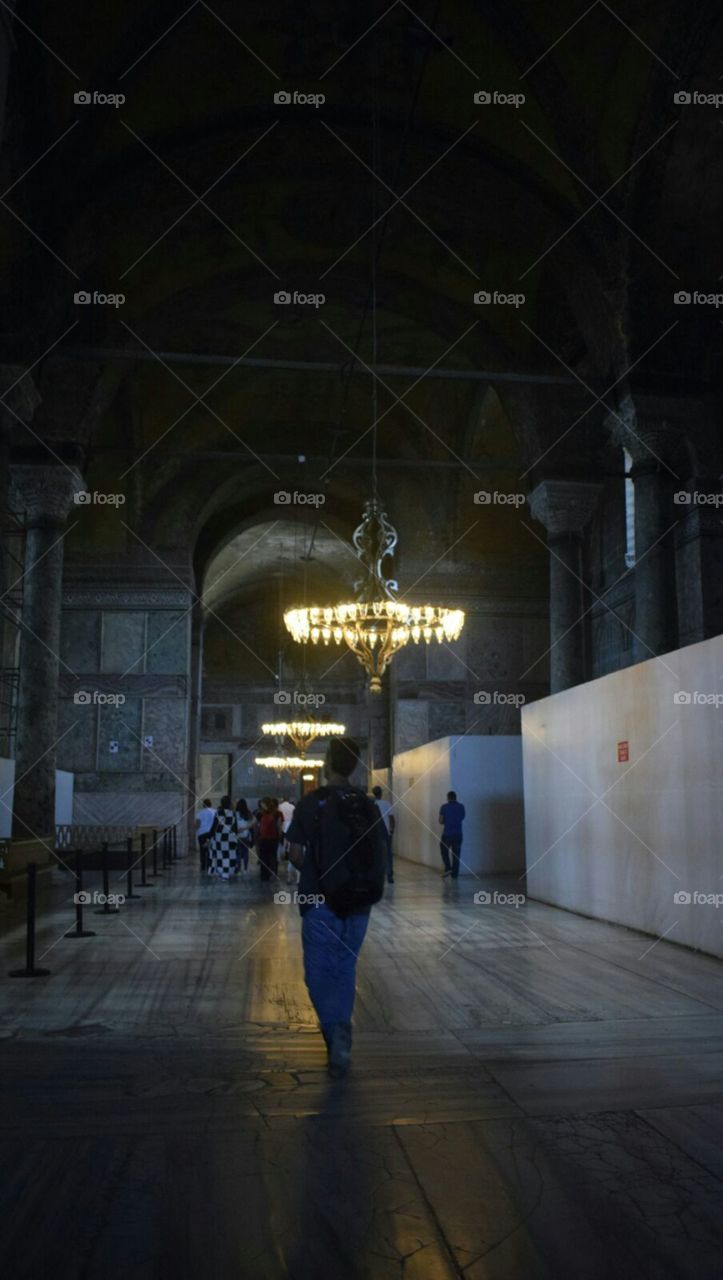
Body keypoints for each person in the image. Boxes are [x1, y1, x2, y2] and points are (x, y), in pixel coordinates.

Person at [287, 738, 385, 1079]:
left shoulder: (312, 802)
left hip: (320, 900)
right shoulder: (366, 803)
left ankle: (335, 1032)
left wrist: (316, 871)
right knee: (345, 967)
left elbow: (295, 853)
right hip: (359, 901)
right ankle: (341, 1028)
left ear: (327, 763)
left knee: (317, 973)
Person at [207, 794, 240, 880]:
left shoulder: (218, 813)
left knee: (220, 855)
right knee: (228, 855)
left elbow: (214, 826)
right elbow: (235, 826)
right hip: (229, 837)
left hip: (219, 837)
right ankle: (226, 873)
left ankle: (222, 873)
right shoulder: (233, 813)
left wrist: (209, 836)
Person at [439, 790, 465, 879]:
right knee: (456, 855)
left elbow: (440, 821)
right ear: (455, 797)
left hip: (447, 834)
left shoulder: (444, 807)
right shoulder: (461, 807)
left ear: (448, 798)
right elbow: (462, 817)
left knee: (444, 851)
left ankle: (448, 868)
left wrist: (447, 820)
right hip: (458, 834)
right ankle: (455, 875)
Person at [371, 785, 395, 884]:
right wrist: (392, 830)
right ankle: (389, 875)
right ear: (381, 793)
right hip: (386, 831)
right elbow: (392, 818)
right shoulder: (387, 803)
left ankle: (376, 874)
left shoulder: (371, 804)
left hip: (375, 832)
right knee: (388, 853)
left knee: (375, 853)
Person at [256, 796, 282, 881]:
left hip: (265, 838)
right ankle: (272, 872)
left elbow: (257, 825)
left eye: (262, 803)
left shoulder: (261, 814)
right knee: (272, 856)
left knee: (265, 856)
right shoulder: (277, 813)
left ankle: (265, 874)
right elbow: (279, 826)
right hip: (272, 838)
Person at [278, 794, 296, 884]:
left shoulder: (279, 806)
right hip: (290, 825)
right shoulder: (292, 806)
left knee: (283, 841)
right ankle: (287, 852)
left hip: (283, 825)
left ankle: (284, 852)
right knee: (289, 841)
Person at [235, 798, 255, 876]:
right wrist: (246, 827)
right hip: (246, 835)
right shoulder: (248, 813)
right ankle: (245, 868)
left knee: (238, 853)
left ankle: (239, 869)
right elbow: (254, 821)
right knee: (246, 852)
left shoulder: (235, 813)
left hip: (237, 835)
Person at [195, 798, 215, 871]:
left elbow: (198, 824)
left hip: (202, 833)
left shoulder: (200, 813)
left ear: (203, 805)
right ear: (210, 804)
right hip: (211, 833)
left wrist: (195, 828)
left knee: (202, 849)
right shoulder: (215, 812)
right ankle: (210, 863)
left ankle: (203, 864)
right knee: (211, 848)